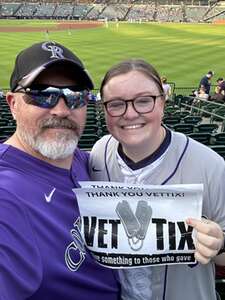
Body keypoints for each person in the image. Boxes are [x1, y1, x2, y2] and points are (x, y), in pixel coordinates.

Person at [90, 59, 225, 300]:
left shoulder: (211, 165)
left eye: (144, 100)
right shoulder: (99, 154)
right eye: (116, 104)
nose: (130, 113)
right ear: (105, 110)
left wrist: (219, 244)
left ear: (162, 102)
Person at [0, 41, 120, 300]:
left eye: (76, 95)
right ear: (13, 104)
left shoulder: (86, 161)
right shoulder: (5, 192)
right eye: (42, 94)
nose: (62, 110)